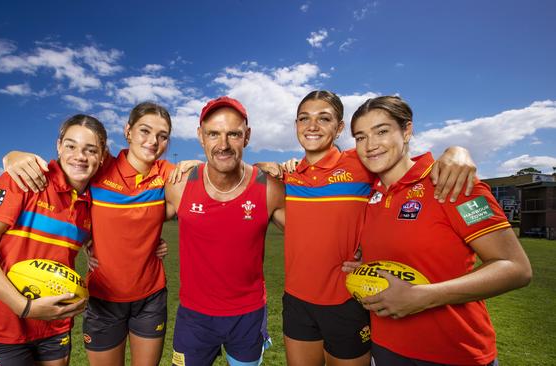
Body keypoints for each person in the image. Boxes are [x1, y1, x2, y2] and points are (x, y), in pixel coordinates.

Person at [257, 90, 478, 366]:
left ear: (338, 129)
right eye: (304, 119)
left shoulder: (361, 162)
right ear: (296, 126)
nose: (312, 126)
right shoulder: (288, 176)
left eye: (324, 119)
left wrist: (457, 151)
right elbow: (244, 177)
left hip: (348, 300)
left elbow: (405, 165)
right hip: (296, 302)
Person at [3, 102, 197, 366]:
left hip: (150, 297)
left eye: (162, 136)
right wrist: (12, 155)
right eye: (144, 131)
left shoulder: (164, 173)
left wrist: (196, 166)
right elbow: (70, 167)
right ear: (127, 131)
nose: (153, 141)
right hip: (103, 298)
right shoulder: (101, 166)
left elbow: (202, 182)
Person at [350, 95, 532, 365]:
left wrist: (424, 297)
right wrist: (363, 266)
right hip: (385, 348)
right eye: (360, 137)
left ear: (407, 131)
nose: (370, 145)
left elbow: (516, 268)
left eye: (382, 131)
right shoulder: (368, 194)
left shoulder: (450, 183)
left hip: (455, 352)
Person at [0, 114, 107, 366]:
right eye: (71, 146)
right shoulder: (25, 179)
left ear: (102, 156)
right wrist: (24, 307)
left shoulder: (92, 203)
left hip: (55, 325)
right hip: (2, 326)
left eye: (90, 150)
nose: (80, 156)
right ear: (58, 146)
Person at [165, 96, 285, 366]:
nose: (223, 144)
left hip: (248, 315)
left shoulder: (269, 187)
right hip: (194, 318)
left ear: (247, 136)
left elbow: (312, 233)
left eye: (233, 134)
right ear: (200, 136)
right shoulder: (179, 185)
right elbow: (133, 221)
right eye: (213, 134)